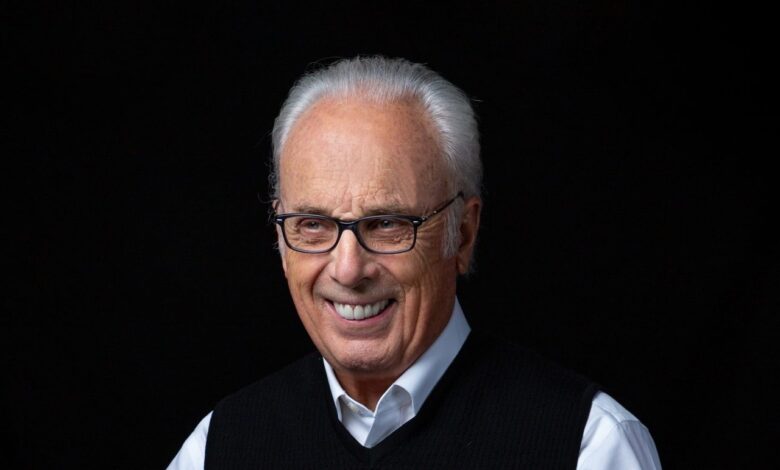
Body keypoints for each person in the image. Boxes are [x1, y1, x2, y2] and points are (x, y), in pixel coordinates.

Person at [168, 55, 661, 469]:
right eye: (312, 224)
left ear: (462, 235)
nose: (347, 270)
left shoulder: (587, 445)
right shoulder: (218, 447)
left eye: (386, 224)